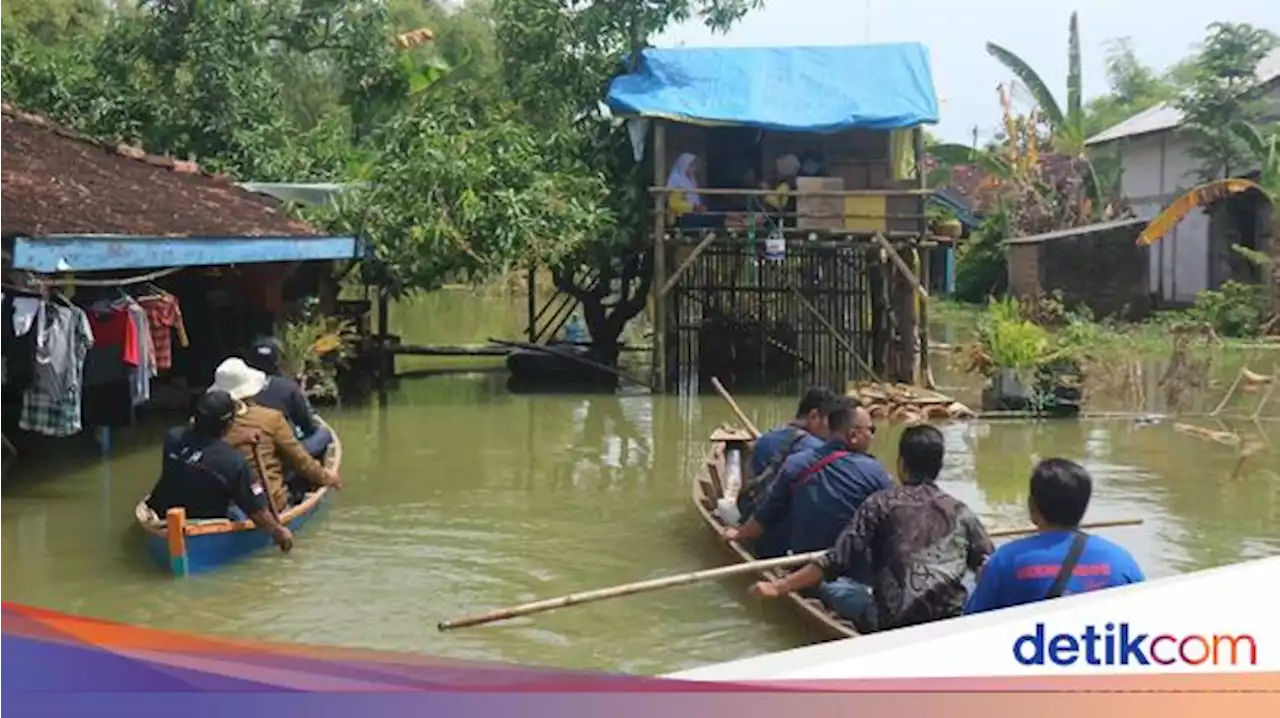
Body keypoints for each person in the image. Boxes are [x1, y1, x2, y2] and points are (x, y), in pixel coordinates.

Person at [751, 424, 993, 633]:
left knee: (830, 585)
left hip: (889, 622)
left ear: (901, 465)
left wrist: (777, 586)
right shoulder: (961, 511)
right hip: (949, 622)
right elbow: (988, 565)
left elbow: (836, 559)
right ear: (939, 466)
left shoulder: (881, 503)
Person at [964, 458, 1145, 615]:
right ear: (1084, 506)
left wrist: (983, 581)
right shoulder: (1122, 561)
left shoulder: (1004, 562)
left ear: (1032, 506)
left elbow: (972, 626)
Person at [723, 399, 892, 557]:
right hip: (850, 572)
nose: (872, 436)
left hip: (800, 567)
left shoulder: (796, 463)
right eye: (871, 430)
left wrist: (739, 533)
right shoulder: (876, 472)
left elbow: (763, 518)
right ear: (853, 435)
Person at [145, 390, 293, 552]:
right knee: (248, 505)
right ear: (230, 424)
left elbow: (202, 450)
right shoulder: (234, 463)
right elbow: (258, 512)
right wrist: (278, 532)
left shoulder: (173, 438)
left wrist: (237, 440)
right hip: (206, 520)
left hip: (163, 514)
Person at [211, 357, 341, 513]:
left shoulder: (205, 421)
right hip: (267, 502)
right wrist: (328, 478)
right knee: (323, 435)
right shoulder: (271, 418)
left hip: (221, 500)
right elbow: (301, 461)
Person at [736, 386, 837, 520]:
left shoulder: (764, 440)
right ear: (814, 416)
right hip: (789, 529)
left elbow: (748, 482)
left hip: (753, 518)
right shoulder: (819, 450)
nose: (832, 430)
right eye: (830, 422)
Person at [244, 337, 332, 459]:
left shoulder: (238, 390)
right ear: (277, 361)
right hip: (283, 455)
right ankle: (313, 472)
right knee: (324, 434)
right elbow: (308, 427)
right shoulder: (288, 387)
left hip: (249, 450)